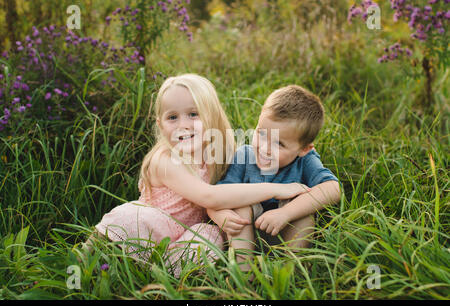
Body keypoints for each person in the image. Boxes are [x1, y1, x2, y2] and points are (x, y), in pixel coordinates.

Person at [81, 74, 309, 277]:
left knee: (209, 236)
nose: (184, 125)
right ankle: (95, 264)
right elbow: (210, 196)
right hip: (155, 227)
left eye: (193, 114)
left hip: (184, 233)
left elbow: (230, 190)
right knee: (139, 219)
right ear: (160, 125)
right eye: (172, 118)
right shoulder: (165, 160)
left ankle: (162, 273)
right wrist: (280, 189)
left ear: (211, 116)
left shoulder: (214, 153)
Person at [207, 84, 341, 270]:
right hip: (245, 233)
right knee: (239, 206)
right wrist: (219, 215)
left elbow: (333, 189)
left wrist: (285, 213)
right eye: (261, 133)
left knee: (305, 217)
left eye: (279, 143)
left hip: (283, 233)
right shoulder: (244, 156)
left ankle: (288, 273)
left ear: (304, 149)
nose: (264, 148)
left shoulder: (306, 160)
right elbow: (218, 195)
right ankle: (244, 275)